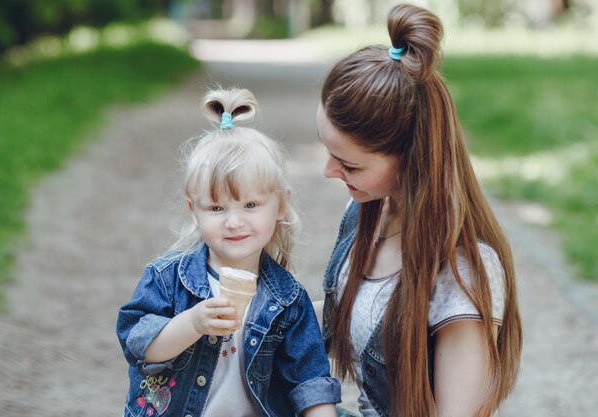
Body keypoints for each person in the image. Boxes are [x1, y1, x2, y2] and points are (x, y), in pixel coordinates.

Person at [314, 4, 523, 417]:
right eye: (328, 151)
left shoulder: (464, 273)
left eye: (349, 164)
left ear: (410, 156)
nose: (328, 171)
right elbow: (351, 317)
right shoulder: (365, 213)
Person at [117, 88, 340, 417]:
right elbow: (139, 346)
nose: (234, 222)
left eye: (251, 205)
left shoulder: (288, 300)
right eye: (217, 207)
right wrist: (193, 323)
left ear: (280, 204)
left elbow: (309, 383)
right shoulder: (166, 280)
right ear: (194, 210)